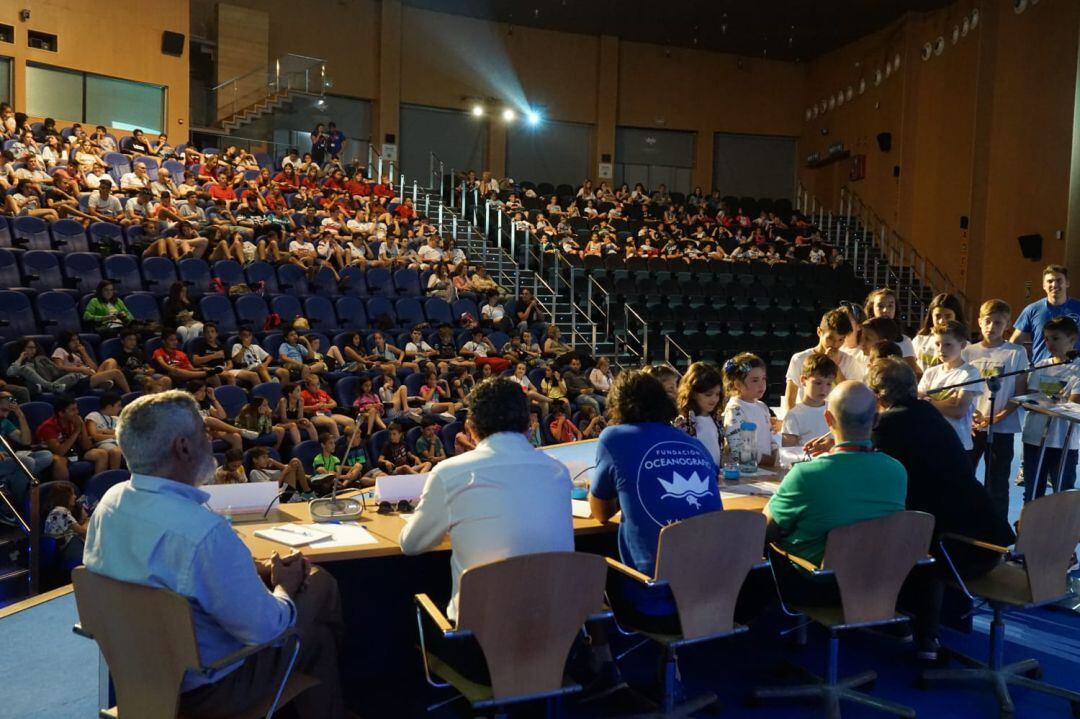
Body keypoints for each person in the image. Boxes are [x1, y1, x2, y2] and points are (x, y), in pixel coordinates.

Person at [83, 391, 345, 717]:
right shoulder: (203, 533)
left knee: (316, 637)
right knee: (319, 583)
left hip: (139, 676)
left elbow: (169, 572)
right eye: (204, 432)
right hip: (210, 690)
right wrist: (284, 586)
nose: (211, 439)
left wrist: (256, 571)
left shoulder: (109, 503)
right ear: (183, 446)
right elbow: (269, 629)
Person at [858, 359, 1016, 658]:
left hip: (956, 548)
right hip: (988, 537)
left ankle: (900, 624)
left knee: (881, 532)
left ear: (877, 396)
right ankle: (920, 632)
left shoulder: (888, 425)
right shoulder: (927, 412)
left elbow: (869, 478)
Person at [401, 377, 574, 630]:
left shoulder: (448, 474)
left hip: (481, 644)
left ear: (470, 427)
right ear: (528, 425)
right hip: (558, 635)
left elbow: (411, 543)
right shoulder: (558, 472)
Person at [589, 370, 720, 633]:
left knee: (589, 560)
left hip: (652, 596)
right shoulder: (693, 444)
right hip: (716, 591)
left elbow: (600, 513)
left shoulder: (614, 437)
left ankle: (602, 664)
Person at [964, 299, 1029, 520]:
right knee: (965, 477)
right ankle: (966, 522)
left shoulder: (1016, 352)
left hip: (1002, 427)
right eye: (988, 321)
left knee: (997, 482)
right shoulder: (968, 351)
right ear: (979, 322)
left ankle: (996, 531)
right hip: (971, 427)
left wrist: (998, 416)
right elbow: (963, 388)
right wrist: (971, 413)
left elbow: (1020, 392)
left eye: (998, 323)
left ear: (1008, 324)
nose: (991, 327)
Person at [1018, 316, 1080, 503]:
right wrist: (1052, 402)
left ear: (1072, 338)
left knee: (1062, 494)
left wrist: (1044, 403)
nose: (1049, 343)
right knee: (1032, 493)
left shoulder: (1077, 369)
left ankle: (1062, 532)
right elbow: (1031, 398)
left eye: (1055, 338)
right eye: (1046, 338)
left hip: (1064, 442)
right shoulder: (1041, 366)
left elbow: (1073, 404)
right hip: (1034, 438)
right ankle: (1030, 530)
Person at [917, 320, 983, 452]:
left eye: (948, 344)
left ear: (963, 345)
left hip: (957, 442)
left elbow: (958, 411)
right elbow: (918, 405)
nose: (941, 350)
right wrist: (946, 402)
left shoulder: (970, 373)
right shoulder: (930, 372)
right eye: (937, 344)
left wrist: (928, 401)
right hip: (930, 439)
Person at [784, 308, 857, 411]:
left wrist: (835, 366)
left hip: (835, 420)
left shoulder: (849, 361)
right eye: (830, 338)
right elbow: (790, 398)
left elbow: (849, 396)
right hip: (806, 418)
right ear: (819, 331)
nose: (836, 344)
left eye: (841, 339)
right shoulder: (799, 359)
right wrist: (791, 421)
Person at [1012, 264, 1080, 364]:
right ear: (1044, 285)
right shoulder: (1032, 310)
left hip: (1074, 370)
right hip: (1041, 371)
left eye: (1059, 280)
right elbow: (1015, 342)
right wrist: (1020, 365)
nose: (1054, 285)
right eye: (1050, 281)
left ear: (1067, 283)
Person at [722, 353, 778, 467]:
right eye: (755, 380)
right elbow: (739, 451)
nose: (762, 384)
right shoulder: (735, 409)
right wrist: (768, 460)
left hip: (766, 470)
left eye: (763, 379)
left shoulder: (762, 407)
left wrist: (777, 453)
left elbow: (770, 437)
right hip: (746, 474)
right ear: (738, 384)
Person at [36, 396, 112, 481]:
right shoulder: (48, 426)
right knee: (59, 461)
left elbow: (86, 447)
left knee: (101, 454)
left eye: (76, 409)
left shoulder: (75, 422)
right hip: (54, 455)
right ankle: (64, 491)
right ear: (61, 413)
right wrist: (76, 432)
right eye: (73, 410)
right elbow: (59, 451)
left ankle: (95, 486)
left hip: (74, 452)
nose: (77, 412)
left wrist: (82, 428)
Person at [673, 362, 724, 468]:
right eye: (708, 394)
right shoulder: (684, 422)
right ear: (693, 394)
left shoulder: (717, 420)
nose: (714, 399)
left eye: (717, 394)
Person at [781, 353, 836, 447]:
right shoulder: (793, 415)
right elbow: (788, 452)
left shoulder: (835, 411)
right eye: (818, 383)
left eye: (829, 384)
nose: (824, 389)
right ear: (803, 380)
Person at [912, 293, 966, 372]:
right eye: (937, 316)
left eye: (948, 316)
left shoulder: (963, 345)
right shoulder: (920, 339)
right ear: (931, 316)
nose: (942, 321)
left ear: (956, 316)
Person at [43, 482, 87, 566]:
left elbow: (73, 525)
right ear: (64, 497)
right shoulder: (60, 511)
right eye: (72, 494)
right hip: (68, 549)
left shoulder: (57, 511)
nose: (75, 497)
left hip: (64, 548)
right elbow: (81, 531)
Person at [85, 393, 124, 470]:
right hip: (103, 444)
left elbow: (123, 433)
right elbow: (94, 436)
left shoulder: (116, 418)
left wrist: (103, 431)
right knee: (116, 452)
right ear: (109, 406)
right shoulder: (94, 415)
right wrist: (113, 435)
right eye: (118, 406)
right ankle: (113, 476)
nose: (121, 408)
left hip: (118, 443)